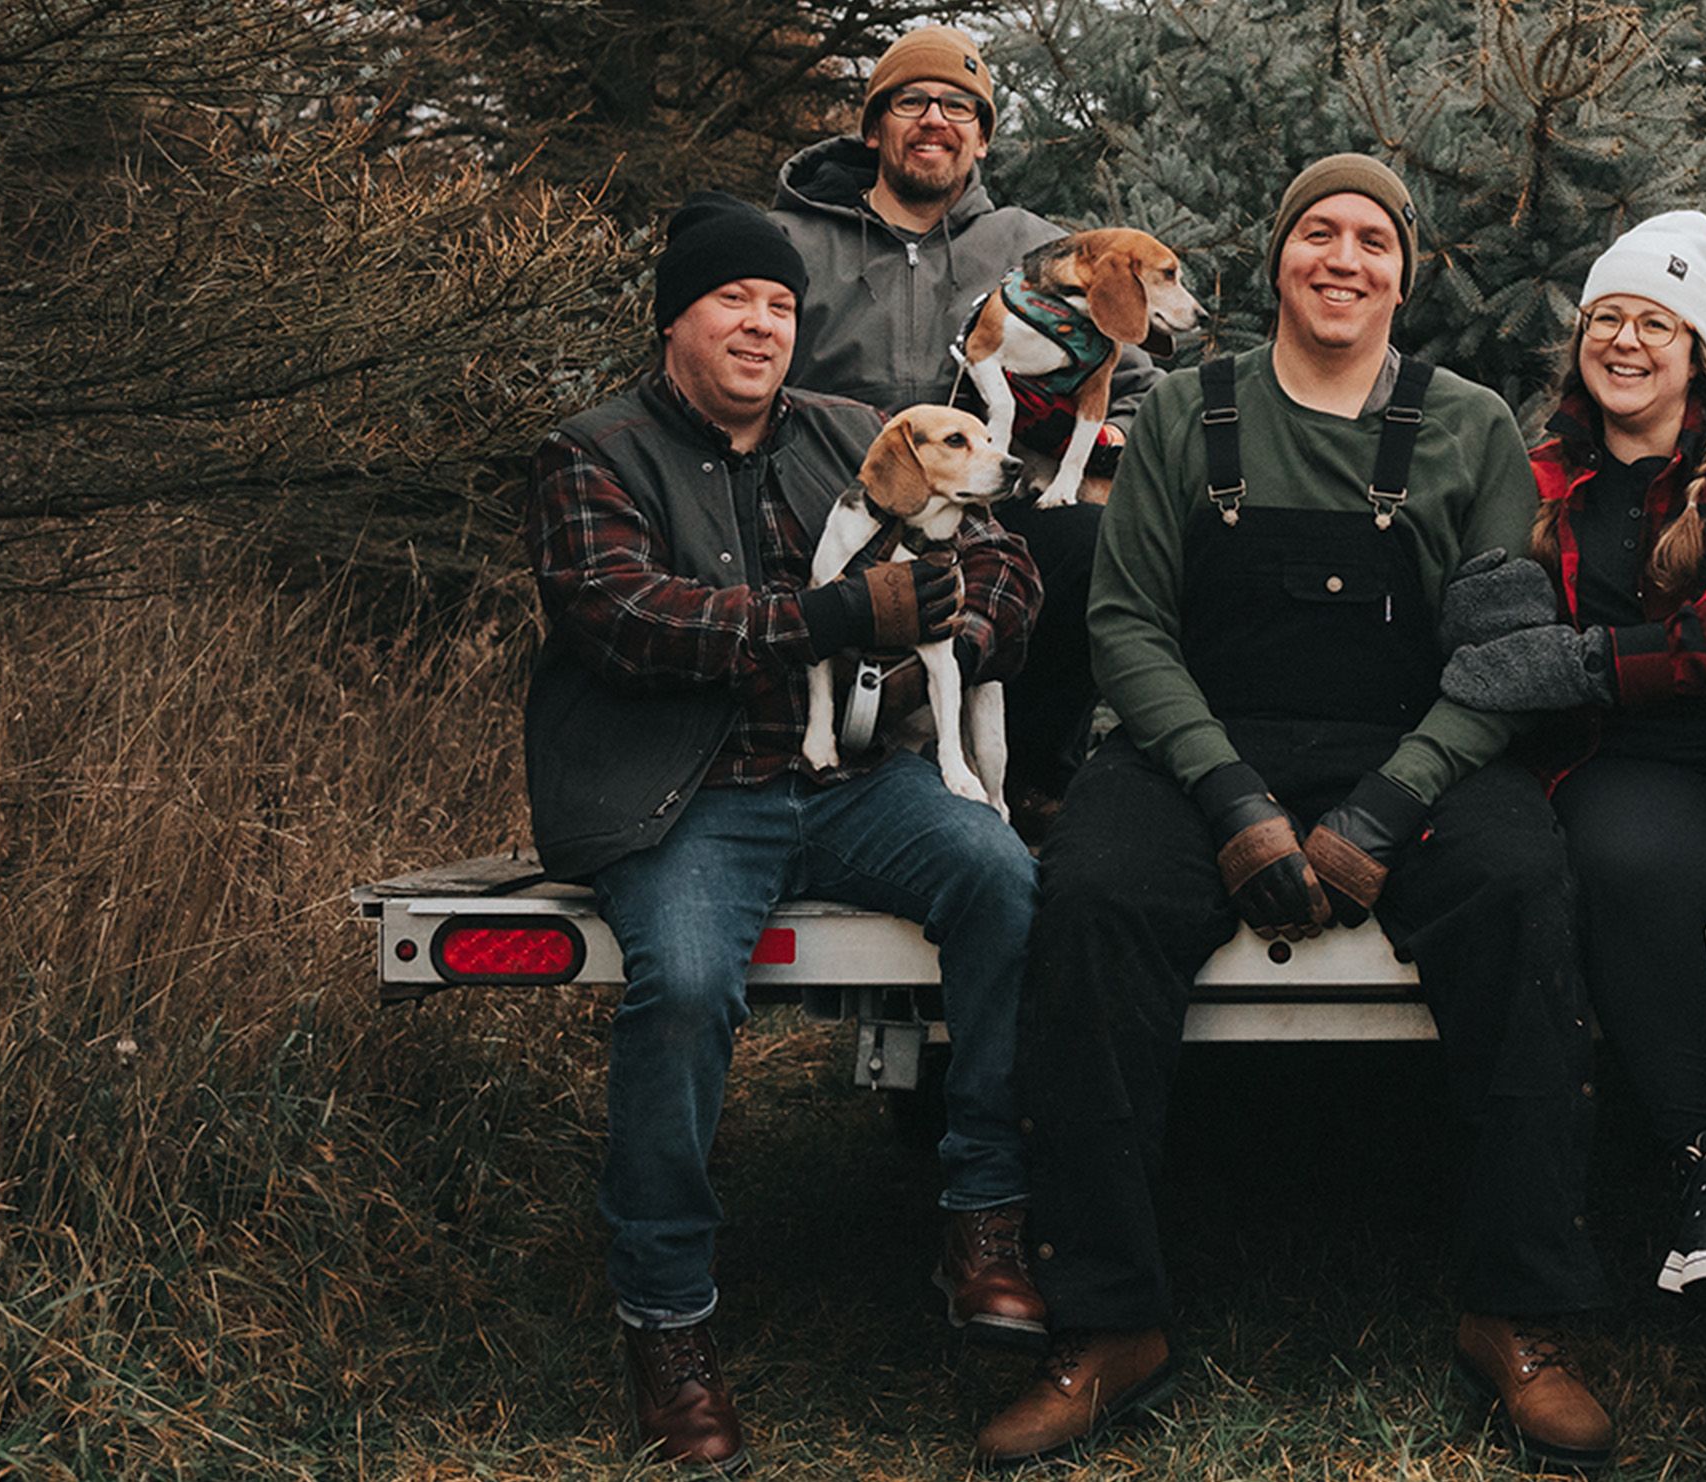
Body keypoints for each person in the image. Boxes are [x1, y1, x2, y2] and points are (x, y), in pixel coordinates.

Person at [975, 154, 1617, 1472]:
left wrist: (1390, 804)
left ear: (1403, 269)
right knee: (1091, 896)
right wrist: (1229, 800)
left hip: (1409, 749)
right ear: (1278, 260)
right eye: (1317, 232)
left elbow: (1502, 657)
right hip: (1198, 745)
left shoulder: (1472, 425)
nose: (1343, 257)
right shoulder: (1183, 413)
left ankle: (1518, 1310)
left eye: (1372, 239)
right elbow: (1126, 625)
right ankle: (1108, 1321)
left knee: (1521, 885)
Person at [519, 192, 1046, 1469]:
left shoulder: (856, 432)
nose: (761, 325)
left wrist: (958, 639)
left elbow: (1008, 559)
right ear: (671, 324)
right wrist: (829, 620)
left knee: (1004, 881)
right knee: (689, 986)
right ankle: (669, 1321)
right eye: (730, 302)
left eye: (776, 305)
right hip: (690, 792)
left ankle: (982, 1219)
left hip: (860, 781)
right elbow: (624, 617)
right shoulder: (592, 453)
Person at [1437, 210, 1706, 1320]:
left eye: (1654, 324)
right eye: (1606, 319)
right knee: (1630, 866)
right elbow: (1495, 630)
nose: (1625, 343)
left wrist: (1586, 659)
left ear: (1698, 349)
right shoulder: (1532, 476)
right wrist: (1590, 674)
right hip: (1621, 758)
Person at [768, 23, 1151, 824]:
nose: (935, 118)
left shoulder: (1032, 249)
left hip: (989, 516)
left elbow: (1134, 386)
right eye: (911, 101)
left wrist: (1084, 454)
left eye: (958, 106)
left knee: (1088, 544)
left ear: (981, 137)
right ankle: (789, 750)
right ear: (874, 127)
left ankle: (1038, 776)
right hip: (826, 515)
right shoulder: (793, 242)